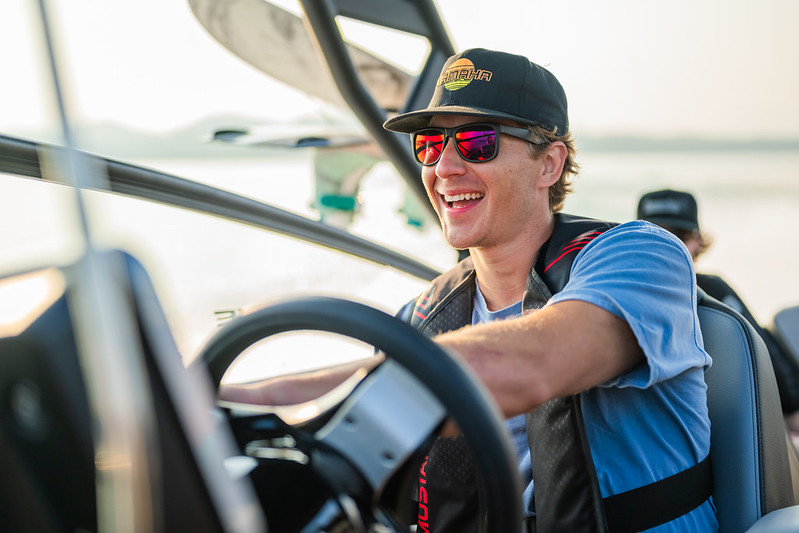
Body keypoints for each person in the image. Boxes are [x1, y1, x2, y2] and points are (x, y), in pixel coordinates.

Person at [222, 48, 717, 532]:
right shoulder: (419, 315)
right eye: (431, 146)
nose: (444, 169)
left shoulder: (642, 256)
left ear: (549, 164)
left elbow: (529, 363)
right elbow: (371, 399)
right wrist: (221, 401)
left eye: (479, 142)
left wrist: (286, 407)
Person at [638, 189, 799, 447]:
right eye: (656, 234)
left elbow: (760, 349)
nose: (669, 245)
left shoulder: (713, 291)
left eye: (678, 236)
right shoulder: (623, 298)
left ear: (698, 241)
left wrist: (791, 408)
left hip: (720, 429)